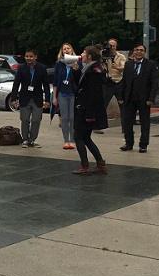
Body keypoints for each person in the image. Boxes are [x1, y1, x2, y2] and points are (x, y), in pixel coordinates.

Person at [72, 45, 108, 174]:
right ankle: (100, 164)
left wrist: (90, 114)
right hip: (86, 109)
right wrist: (76, 72)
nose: (81, 55)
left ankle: (85, 166)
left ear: (89, 56)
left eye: (84, 53)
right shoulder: (92, 69)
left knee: (78, 136)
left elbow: (93, 94)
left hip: (86, 109)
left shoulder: (93, 72)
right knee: (86, 137)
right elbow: (82, 85)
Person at [118, 44, 159, 153]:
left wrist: (151, 98)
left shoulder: (150, 65)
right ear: (134, 52)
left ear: (144, 52)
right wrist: (121, 96)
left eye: (141, 50)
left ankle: (143, 145)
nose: (139, 52)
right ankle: (128, 143)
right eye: (137, 50)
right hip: (130, 98)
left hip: (144, 99)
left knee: (144, 122)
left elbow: (154, 83)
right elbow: (124, 81)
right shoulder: (128, 64)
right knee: (127, 122)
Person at [11, 49, 50, 148]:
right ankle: (25, 139)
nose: (28, 58)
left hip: (37, 98)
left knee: (36, 120)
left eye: (31, 56)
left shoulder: (42, 68)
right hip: (25, 98)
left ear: (35, 57)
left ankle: (32, 139)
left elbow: (46, 85)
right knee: (24, 119)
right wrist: (13, 99)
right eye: (27, 56)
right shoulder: (21, 68)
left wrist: (47, 100)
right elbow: (16, 84)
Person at [52, 43, 78, 150]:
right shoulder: (59, 64)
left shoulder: (77, 63)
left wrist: (76, 70)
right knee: (65, 118)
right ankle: (66, 140)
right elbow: (55, 81)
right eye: (64, 49)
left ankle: (72, 140)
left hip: (73, 94)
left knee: (72, 118)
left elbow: (79, 79)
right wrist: (54, 96)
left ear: (71, 51)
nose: (66, 50)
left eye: (68, 48)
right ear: (62, 52)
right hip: (62, 93)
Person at [101, 37, 127, 131]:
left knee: (123, 105)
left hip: (118, 81)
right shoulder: (103, 54)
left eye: (113, 46)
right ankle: (99, 125)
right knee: (103, 104)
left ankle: (125, 127)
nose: (111, 47)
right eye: (110, 45)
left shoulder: (121, 56)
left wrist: (117, 67)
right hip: (108, 81)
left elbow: (124, 67)